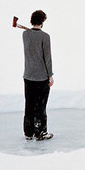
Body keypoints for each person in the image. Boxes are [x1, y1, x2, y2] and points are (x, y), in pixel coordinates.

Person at [22, 10, 54, 140]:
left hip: (28, 75)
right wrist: (50, 75)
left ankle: (28, 133)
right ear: (42, 21)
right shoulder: (45, 37)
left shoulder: (25, 34)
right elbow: (47, 58)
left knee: (29, 104)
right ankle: (40, 131)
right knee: (40, 105)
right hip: (41, 77)